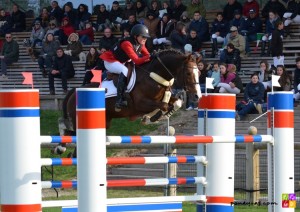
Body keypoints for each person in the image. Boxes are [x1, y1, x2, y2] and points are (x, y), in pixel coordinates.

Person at [100, 24, 151, 111]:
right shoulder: (126, 43)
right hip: (110, 61)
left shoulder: (140, 44)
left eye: (146, 37)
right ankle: (119, 99)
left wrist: (153, 56)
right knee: (125, 70)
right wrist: (150, 56)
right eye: (143, 37)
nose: (145, 39)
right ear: (136, 36)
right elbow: (137, 60)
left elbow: (147, 55)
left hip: (121, 61)